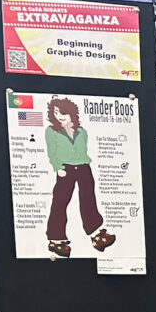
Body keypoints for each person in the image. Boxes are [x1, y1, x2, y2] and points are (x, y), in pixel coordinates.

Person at [44, 98, 117, 258]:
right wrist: (58, 167)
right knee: (60, 201)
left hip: (83, 166)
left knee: (88, 198)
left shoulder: (81, 131)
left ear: (71, 113)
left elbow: (83, 150)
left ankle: (96, 235)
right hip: (65, 168)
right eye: (56, 112)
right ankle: (55, 240)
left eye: (63, 113)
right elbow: (51, 151)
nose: (59, 116)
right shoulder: (52, 131)